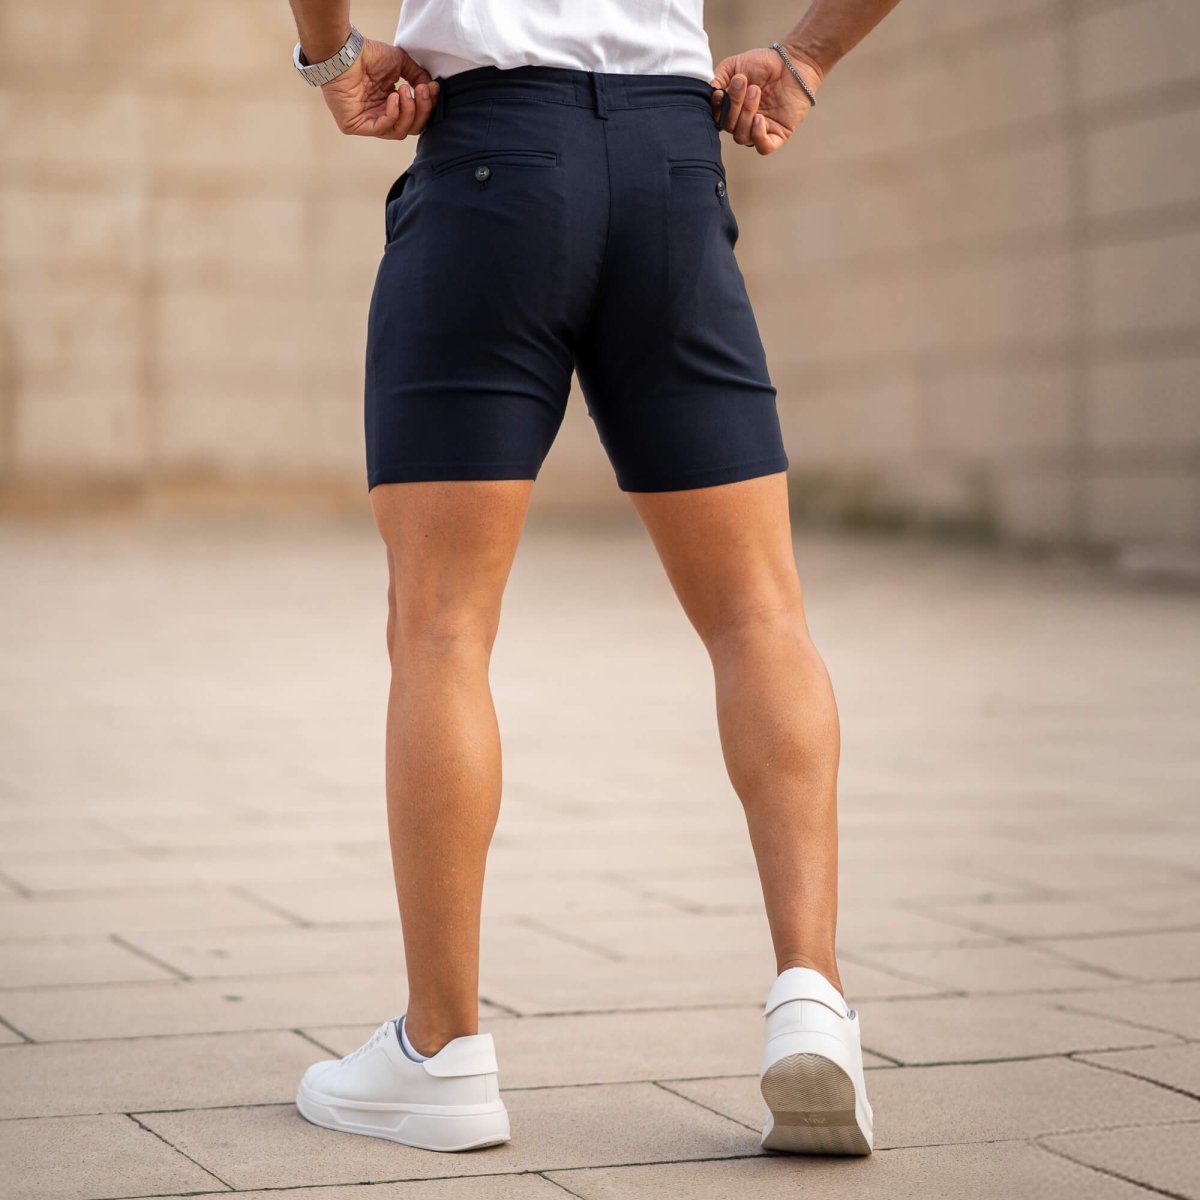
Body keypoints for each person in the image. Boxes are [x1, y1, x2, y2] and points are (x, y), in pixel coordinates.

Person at [287, 0, 901, 1158]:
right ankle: (812, 1000)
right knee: (759, 610)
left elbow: (336, 35)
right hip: (673, 161)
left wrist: (331, 53)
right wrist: (806, 56)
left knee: (442, 626)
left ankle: (444, 1052)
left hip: (490, 158)